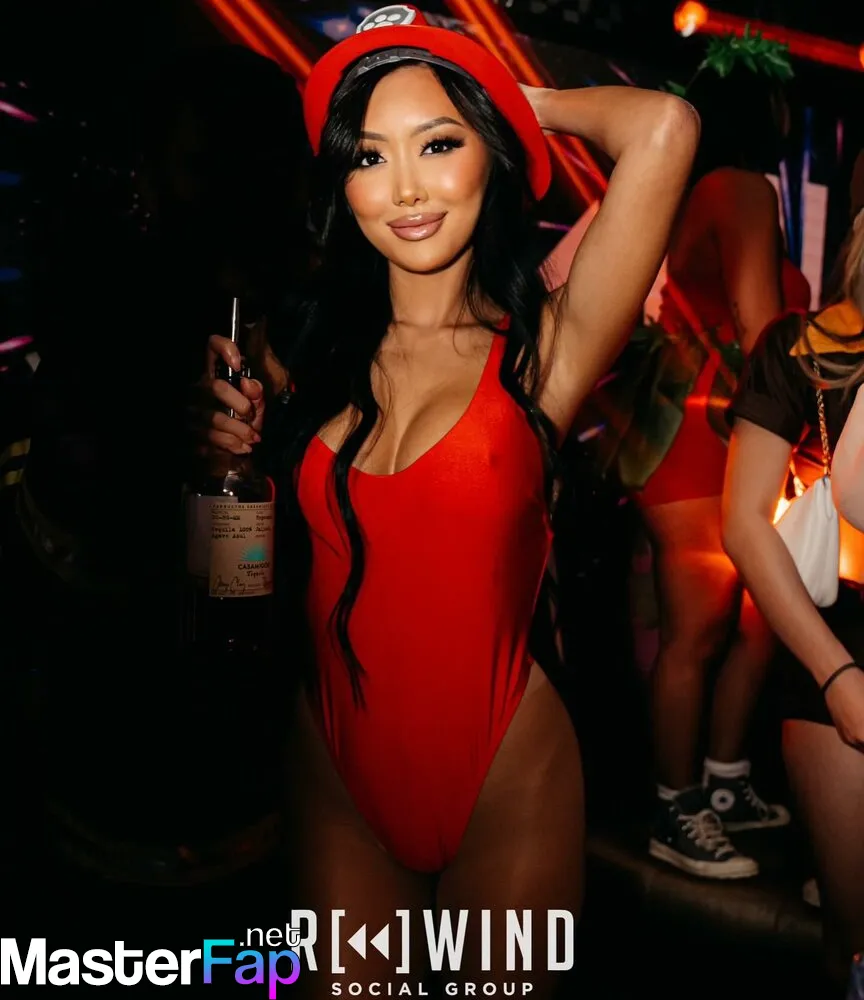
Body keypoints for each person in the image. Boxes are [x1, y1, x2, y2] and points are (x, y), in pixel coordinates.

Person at [197, 5, 699, 995]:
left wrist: (503, 95)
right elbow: (221, 561)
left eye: (438, 143)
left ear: (490, 153)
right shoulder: (302, 353)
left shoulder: (544, 353)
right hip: (335, 768)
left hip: (508, 774)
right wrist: (222, 438)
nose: (407, 189)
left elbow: (664, 128)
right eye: (370, 155)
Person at [623, 61, 807, 878]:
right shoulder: (741, 189)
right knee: (697, 632)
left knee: (756, 621)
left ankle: (723, 781)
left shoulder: (710, 191)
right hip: (702, 433)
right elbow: (762, 323)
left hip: (722, 433)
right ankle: (675, 806)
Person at [722, 202, 864, 987]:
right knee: (855, 930)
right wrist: (836, 675)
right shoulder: (807, 347)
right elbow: (745, 523)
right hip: (844, 644)